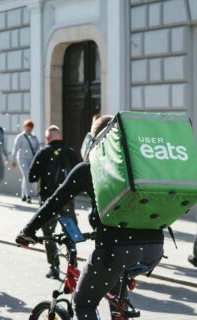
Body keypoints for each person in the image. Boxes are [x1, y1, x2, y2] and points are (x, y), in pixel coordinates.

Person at [17, 116, 164, 320]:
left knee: (83, 303)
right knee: (115, 295)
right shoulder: (139, 167)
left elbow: (54, 203)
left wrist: (27, 232)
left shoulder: (90, 168)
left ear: (95, 140)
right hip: (153, 248)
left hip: (116, 249)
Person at [28, 125, 80, 279]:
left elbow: (32, 177)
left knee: (48, 234)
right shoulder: (71, 152)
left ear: (47, 139)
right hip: (67, 200)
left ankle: (54, 266)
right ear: (61, 137)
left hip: (48, 200)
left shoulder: (44, 153)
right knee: (70, 232)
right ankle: (73, 266)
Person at [11, 119, 40, 203]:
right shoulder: (20, 137)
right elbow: (15, 148)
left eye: (31, 127)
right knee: (27, 175)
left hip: (32, 159)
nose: (29, 128)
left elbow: (38, 148)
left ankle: (23, 194)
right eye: (28, 126)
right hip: (22, 159)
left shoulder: (34, 137)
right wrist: (13, 160)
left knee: (26, 176)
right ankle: (29, 196)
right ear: (24, 127)